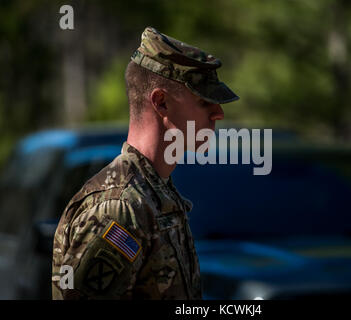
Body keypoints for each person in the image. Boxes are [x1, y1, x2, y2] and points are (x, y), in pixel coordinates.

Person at [51, 26, 239, 299]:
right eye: (203, 102)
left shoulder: (155, 194)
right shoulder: (119, 207)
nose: (218, 114)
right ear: (161, 102)